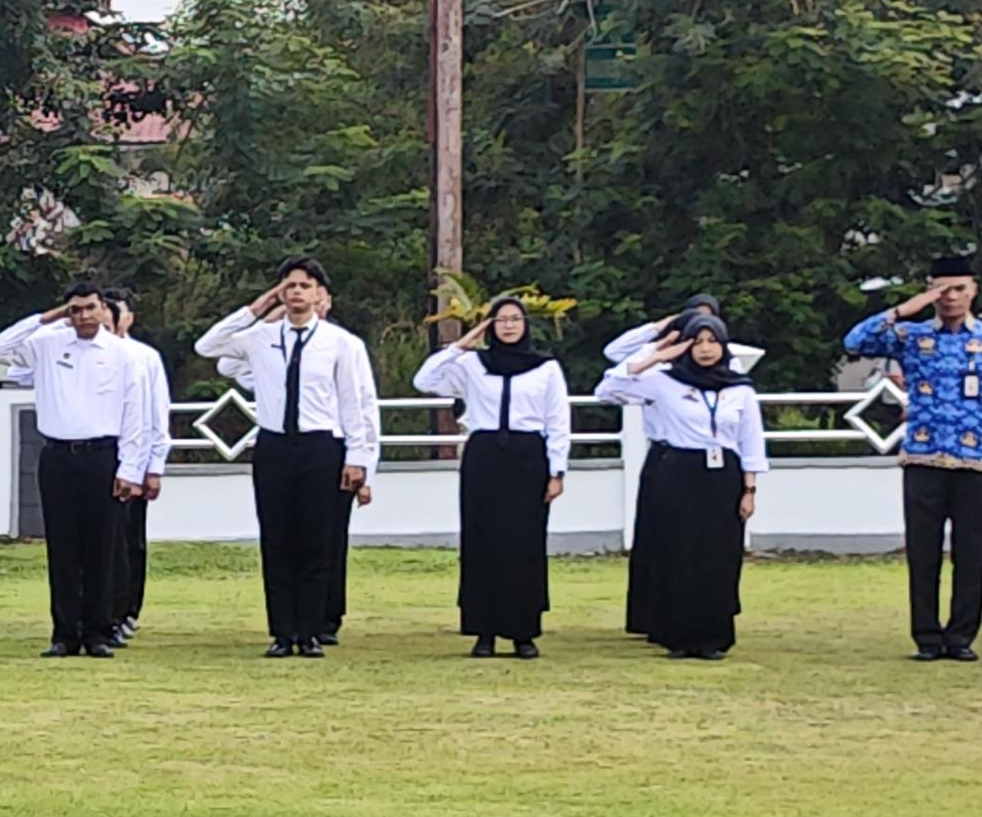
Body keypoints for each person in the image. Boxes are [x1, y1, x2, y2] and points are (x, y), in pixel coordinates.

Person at [197, 259, 383, 656]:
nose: (297, 292)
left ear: (320, 295)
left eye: (306, 285)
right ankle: (282, 632)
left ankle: (312, 631)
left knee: (316, 539)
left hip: (320, 445)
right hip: (275, 445)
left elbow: (355, 403)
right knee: (277, 538)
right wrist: (259, 306)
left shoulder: (341, 343)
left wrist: (359, 459)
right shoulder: (260, 338)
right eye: (290, 285)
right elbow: (208, 345)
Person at [0, 284, 148, 657]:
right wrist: (47, 317)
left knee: (102, 547)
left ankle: (98, 633)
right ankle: (64, 634)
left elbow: (135, 413)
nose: (84, 316)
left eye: (90, 308)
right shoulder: (47, 344)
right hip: (57, 456)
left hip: (103, 455)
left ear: (103, 309)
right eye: (75, 310)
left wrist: (131, 468)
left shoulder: (122, 354)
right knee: (63, 547)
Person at [599, 305, 769, 658]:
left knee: (718, 554)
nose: (705, 349)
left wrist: (750, 489)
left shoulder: (739, 389)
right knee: (680, 553)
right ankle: (679, 635)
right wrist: (660, 354)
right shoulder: (665, 382)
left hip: (723, 475)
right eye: (697, 342)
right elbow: (609, 387)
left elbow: (751, 442)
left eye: (712, 341)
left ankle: (713, 636)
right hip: (679, 470)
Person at [413, 296, 571, 656]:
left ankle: (523, 632)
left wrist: (556, 470)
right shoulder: (472, 364)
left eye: (516, 319)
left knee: (524, 544)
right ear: (490, 326)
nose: (509, 326)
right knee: (483, 542)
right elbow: (424, 380)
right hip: (484, 456)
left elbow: (558, 421)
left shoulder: (545, 368)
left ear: (526, 324)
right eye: (501, 320)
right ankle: (483, 631)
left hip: (528, 456)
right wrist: (461, 345)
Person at [843, 254, 982, 659]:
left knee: (973, 554)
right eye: (942, 290)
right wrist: (910, 306)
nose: (951, 297)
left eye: (959, 288)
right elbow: (856, 341)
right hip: (923, 458)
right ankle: (925, 636)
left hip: (975, 461)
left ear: (973, 290)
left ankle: (960, 637)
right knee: (922, 553)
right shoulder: (912, 336)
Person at [100, 287, 173, 638]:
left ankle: (126, 610)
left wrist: (153, 464)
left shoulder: (144, 357)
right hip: (97, 454)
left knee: (129, 540)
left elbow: (156, 413)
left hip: (136, 458)